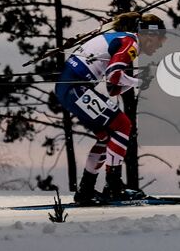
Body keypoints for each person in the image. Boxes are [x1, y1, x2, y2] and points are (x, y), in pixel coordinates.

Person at [55, 12, 166, 205]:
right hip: (75, 88)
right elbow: (113, 75)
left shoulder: (123, 40)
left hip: (71, 88)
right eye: (160, 39)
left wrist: (135, 82)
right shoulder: (131, 43)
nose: (161, 45)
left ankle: (86, 191)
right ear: (149, 36)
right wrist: (139, 80)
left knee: (107, 136)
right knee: (123, 125)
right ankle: (114, 186)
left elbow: (112, 89)